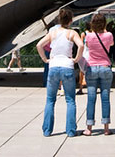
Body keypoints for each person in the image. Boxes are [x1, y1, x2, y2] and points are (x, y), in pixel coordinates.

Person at [37, 8, 83, 137]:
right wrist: (76, 59)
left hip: (54, 66)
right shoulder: (72, 33)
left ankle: (47, 130)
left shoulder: (53, 33)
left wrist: (45, 59)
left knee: (50, 100)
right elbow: (81, 45)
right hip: (67, 66)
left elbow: (39, 45)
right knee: (70, 100)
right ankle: (71, 130)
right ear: (71, 20)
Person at [83, 13, 114, 136]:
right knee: (105, 98)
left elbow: (87, 46)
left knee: (91, 98)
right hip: (105, 67)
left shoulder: (89, 36)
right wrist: (104, 30)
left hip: (92, 67)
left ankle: (89, 128)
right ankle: (106, 128)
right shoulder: (109, 35)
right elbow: (111, 44)